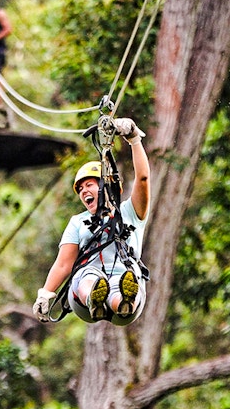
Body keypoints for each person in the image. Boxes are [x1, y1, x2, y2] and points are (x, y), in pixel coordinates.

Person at [33, 116, 150, 326]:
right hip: (83, 294)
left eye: (90, 185)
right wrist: (45, 293)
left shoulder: (131, 212)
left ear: (108, 185)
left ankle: (123, 301)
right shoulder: (78, 222)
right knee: (89, 274)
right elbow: (63, 264)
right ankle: (94, 298)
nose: (84, 191)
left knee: (123, 280)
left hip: (125, 279)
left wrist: (134, 139)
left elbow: (142, 179)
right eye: (80, 188)